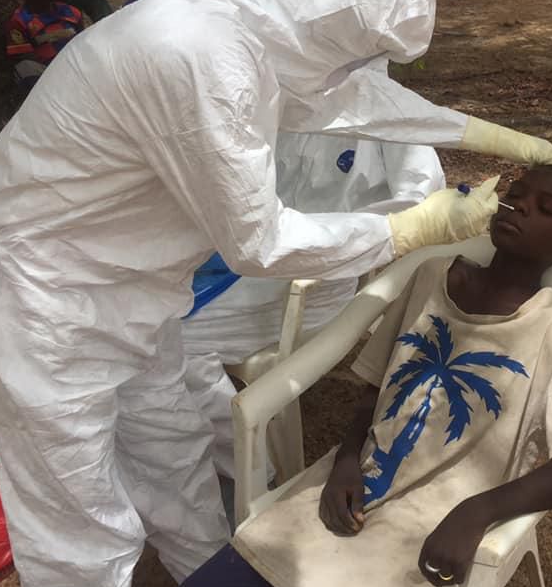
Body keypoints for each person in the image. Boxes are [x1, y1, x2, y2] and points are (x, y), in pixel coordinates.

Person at [0, 0, 552, 587]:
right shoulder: (200, 55)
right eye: (357, 45)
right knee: (77, 518)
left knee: (171, 453)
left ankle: (212, 580)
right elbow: (261, 241)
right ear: (329, 13)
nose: (357, 64)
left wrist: (478, 133)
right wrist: (409, 228)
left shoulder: (245, 19)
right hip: (43, 295)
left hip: (132, 288)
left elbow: (339, 99)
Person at [178, 164, 552, 587]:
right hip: (354, 489)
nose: (520, 207)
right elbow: (378, 387)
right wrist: (346, 459)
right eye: (515, 196)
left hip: (429, 526)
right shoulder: (431, 277)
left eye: (545, 208)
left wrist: (478, 512)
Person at [183, 130, 446, 479]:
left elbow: (420, 205)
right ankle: (192, 450)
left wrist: (345, 239)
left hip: (316, 283)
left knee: (175, 340)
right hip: (244, 262)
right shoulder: (283, 97)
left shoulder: (391, 122)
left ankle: (249, 475)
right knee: (148, 310)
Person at [4, 0, 86, 91]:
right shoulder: (19, 22)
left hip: (79, 72)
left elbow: (84, 47)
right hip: (49, 82)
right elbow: (24, 59)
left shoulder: (72, 13)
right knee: (25, 67)